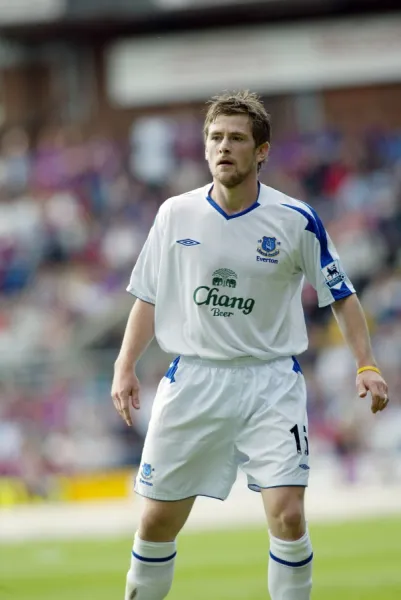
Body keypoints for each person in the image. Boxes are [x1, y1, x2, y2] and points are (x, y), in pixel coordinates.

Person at [111, 90, 389, 600]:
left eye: (237, 138)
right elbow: (148, 297)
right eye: (215, 137)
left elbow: (342, 296)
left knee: (287, 515)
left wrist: (365, 363)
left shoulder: (295, 220)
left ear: (261, 151)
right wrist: (125, 364)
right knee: (155, 522)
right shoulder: (176, 214)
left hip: (269, 381)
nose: (224, 147)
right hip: (194, 379)